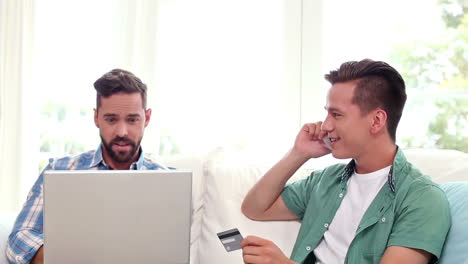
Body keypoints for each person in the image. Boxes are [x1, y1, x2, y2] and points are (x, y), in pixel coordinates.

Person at [240, 59, 451, 264]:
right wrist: (299, 153)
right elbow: (255, 208)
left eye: (336, 115)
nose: (325, 126)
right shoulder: (326, 181)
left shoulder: (422, 199)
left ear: (376, 121)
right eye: (327, 114)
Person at [6, 69, 169, 264]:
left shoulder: (169, 183)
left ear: (147, 118)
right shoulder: (59, 171)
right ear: (96, 117)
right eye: (111, 119)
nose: (122, 131)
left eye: (132, 119)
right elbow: (20, 239)